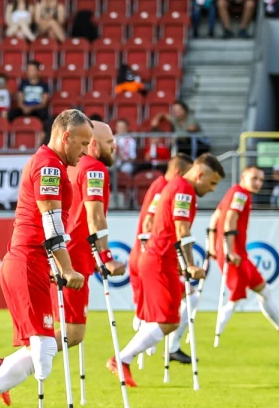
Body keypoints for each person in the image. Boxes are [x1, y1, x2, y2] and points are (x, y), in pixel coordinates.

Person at [0, 110, 93, 408]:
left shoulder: (51, 164)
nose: (86, 150)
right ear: (65, 136)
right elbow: (50, 220)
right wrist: (65, 267)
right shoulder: (48, 165)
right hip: (28, 260)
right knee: (45, 358)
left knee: (43, 350)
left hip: (29, 261)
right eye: (83, 142)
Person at [109, 154, 224, 383]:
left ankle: (125, 358)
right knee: (169, 319)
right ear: (200, 174)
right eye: (212, 183)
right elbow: (182, 230)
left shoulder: (174, 186)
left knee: (168, 315)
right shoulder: (183, 190)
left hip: (160, 258)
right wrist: (190, 265)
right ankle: (122, 359)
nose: (212, 190)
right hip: (160, 259)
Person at [207, 166, 279, 343]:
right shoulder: (241, 195)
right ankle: (214, 338)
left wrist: (211, 246)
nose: (258, 183)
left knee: (265, 291)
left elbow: (215, 218)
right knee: (235, 299)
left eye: (261, 180)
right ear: (243, 176)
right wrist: (229, 251)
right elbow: (230, 220)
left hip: (235, 253)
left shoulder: (233, 192)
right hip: (235, 255)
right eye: (254, 178)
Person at [56, 121, 124, 360]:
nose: (114, 146)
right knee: (73, 333)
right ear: (93, 144)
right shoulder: (94, 168)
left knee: (66, 330)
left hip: (66, 252)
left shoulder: (71, 166)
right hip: (73, 258)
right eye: (109, 142)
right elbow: (94, 215)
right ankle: (5, 369)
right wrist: (106, 257)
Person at [128, 154, 189, 353]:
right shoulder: (165, 188)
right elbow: (148, 223)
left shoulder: (161, 185)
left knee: (153, 311)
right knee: (187, 297)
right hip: (152, 256)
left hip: (147, 255)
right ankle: (169, 347)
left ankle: (164, 346)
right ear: (179, 172)